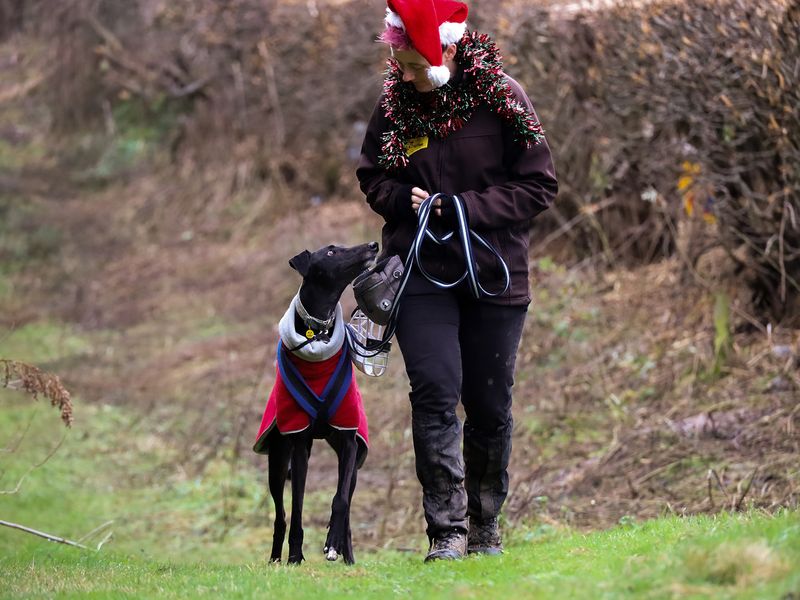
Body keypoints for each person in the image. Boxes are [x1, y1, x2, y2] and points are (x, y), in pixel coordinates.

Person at [356, 0, 558, 562]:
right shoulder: (395, 104)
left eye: (417, 66)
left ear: (447, 51)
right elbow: (373, 175)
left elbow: (539, 186)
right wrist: (403, 199)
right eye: (401, 64)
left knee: (489, 405)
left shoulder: (503, 97)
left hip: (495, 271)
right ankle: (447, 531)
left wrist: (464, 208)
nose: (405, 75)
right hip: (420, 271)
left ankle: (486, 528)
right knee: (435, 394)